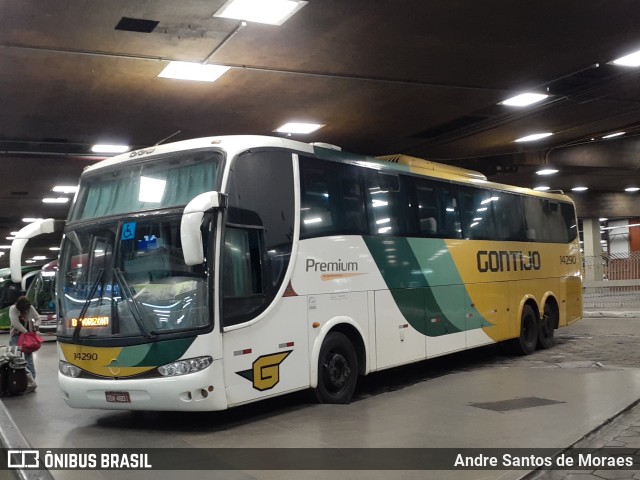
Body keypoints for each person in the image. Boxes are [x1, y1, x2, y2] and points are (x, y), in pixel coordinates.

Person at [9, 296, 39, 379]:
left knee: (28, 358)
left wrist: (36, 325)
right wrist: (26, 332)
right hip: (16, 335)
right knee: (16, 357)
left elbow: (38, 318)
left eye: (26, 309)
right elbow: (15, 323)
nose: (25, 311)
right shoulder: (13, 309)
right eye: (23, 310)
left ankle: (32, 378)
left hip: (27, 338)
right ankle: (17, 379)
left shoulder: (30, 308)